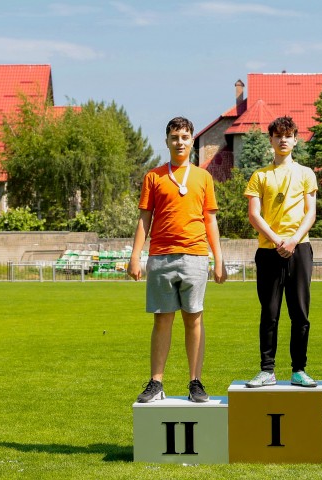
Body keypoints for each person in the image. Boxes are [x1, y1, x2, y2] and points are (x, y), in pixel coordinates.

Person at [129, 116, 226, 404]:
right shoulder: (154, 177)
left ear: (192, 140)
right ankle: (156, 382)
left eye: (185, 137)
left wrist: (218, 259)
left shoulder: (203, 177)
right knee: (162, 320)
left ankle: (195, 381)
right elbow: (144, 220)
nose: (179, 142)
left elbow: (210, 221)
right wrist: (136, 257)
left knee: (194, 319)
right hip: (160, 257)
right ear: (167, 141)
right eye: (174, 137)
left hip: (195, 256)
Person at [243, 116, 318, 388]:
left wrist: (294, 240)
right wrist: (277, 241)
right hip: (268, 250)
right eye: (278, 135)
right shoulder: (260, 176)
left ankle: (299, 369)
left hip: (300, 249)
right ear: (271, 140)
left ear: (295, 139)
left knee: (300, 312)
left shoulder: (306, 173)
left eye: (288, 135)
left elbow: (311, 213)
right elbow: (254, 215)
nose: (283, 140)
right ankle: (267, 370)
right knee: (270, 312)